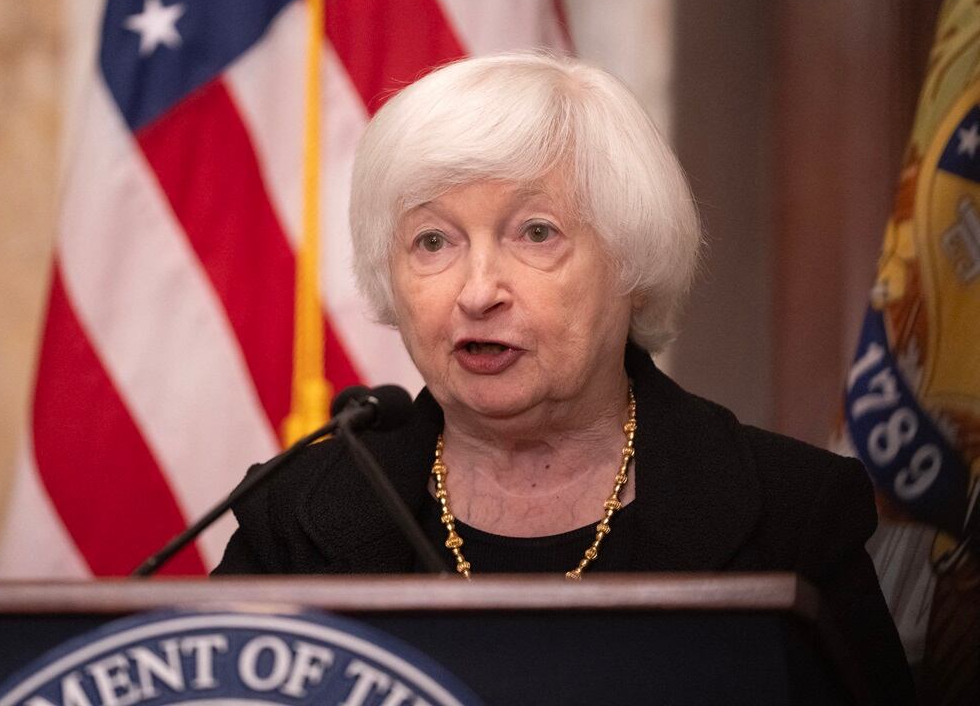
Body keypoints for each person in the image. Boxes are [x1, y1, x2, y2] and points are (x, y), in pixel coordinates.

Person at [213, 52, 913, 703]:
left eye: (536, 233)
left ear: (631, 265)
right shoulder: (295, 516)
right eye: (433, 241)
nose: (478, 290)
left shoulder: (792, 512)